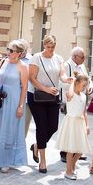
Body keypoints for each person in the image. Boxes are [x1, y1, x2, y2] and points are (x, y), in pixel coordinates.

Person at [27, 34, 71, 173]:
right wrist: (45, 88)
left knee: (53, 126)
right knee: (41, 126)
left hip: (53, 97)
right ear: (44, 45)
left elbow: (62, 75)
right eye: (48, 47)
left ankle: (36, 146)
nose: (50, 49)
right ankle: (43, 161)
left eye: (52, 47)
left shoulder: (58, 58)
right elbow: (32, 78)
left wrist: (66, 79)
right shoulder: (36, 58)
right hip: (37, 96)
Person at [0, 40, 29, 173]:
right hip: (0, 99)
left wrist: (20, 106)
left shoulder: (23, 66)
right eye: (8, 49)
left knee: (9, 128)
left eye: (11, 51)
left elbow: (24, 87)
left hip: (13, 100)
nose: (8, 52)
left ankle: (5, 160)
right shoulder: (3, 62)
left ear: (19, 53)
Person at [60, 46, 93, 163]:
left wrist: (90, 88)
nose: (84, 59)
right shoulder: (67, 65)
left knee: (79, 128)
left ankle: (77, 150)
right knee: (71, 129)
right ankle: (66, 153)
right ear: (74, 57)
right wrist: (74, 89)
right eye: (82, 57)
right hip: (72, 100)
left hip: (81, 99)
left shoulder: (82, 66)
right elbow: (63, 83)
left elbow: (87, 79)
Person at [57, 73, 92, 180]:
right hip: (71, 122)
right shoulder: (70, 94)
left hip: (80, 123)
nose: (84, 88)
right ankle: (68, 171)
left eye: (86, 85)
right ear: (76, 83)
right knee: (71, 148)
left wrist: (87, 125)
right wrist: (72, 82)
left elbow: (84, 111)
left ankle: (71, 165)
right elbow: (70, 95)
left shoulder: (83, 96)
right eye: (83, 85)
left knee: (80, 149)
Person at [18, 39, 34, 137]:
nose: (20, 52)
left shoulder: (32, 60)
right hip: (13, 96)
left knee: (25, 124)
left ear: (26, 49)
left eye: (22, 50)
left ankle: (20, 146)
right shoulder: (12, 58)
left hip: (27, 98)